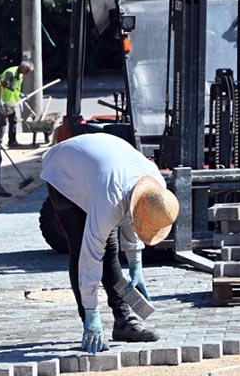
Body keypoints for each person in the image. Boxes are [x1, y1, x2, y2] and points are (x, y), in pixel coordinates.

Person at [41, 133, 180, 352]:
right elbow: (90, 256)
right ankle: (89, 325)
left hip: (98, 170)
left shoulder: (156, 187)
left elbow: (135, 218)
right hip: (64, 171)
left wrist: (136, 265)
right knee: (83, 248)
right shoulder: (111, 198)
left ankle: (123, 322)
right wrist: (92, 313)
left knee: (111, 249)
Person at [0, 61, 29, 148]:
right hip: (2, 98)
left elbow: (15, 88)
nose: (27, 73)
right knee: (3, 121)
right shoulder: (11, 73)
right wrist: (0, 100)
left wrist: (21, 94)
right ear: (22, 68)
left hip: (10, 100)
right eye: (27, 71)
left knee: (13, 120)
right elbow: (2, 86)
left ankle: (12, 141)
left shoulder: (20, 75)